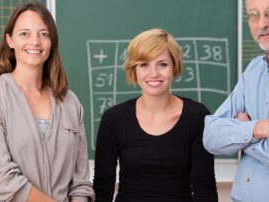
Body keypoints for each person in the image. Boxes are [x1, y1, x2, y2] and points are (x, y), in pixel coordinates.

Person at [93, 28, 218, 202]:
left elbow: (204, 188)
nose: (154, 73)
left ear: (174, 68)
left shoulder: (196, 116)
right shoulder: (113, 119)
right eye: (144, 64)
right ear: (134, 69)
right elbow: (102, 187)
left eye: (163, 64)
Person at [203, 0, 269, 201]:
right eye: (253, 15)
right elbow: (211, 135)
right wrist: (258, 128)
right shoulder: (253, 70)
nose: (262, 24)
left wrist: (242, 139)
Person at [0, 2, 95, 202]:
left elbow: (80, 182)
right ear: (10, 40)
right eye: (24, 34)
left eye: (43, 34)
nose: (35, 42)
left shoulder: (70, 103)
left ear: (52, 42)